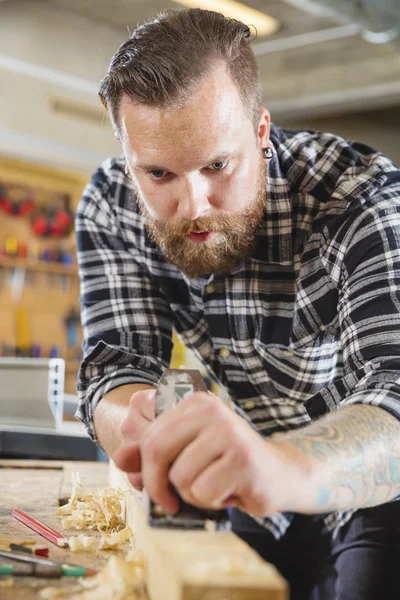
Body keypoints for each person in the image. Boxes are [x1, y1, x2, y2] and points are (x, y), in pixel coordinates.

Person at [75, 8, 400, 599]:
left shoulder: (362, 203)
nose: (195, 204)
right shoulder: (111, 206)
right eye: (159, 173)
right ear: (129, 160)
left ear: (261, 133)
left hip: (370, 475)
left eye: (217, 165)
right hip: (251, 461)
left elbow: (395, 393)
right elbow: (116, 366)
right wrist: (136, 421)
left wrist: (284, 467)